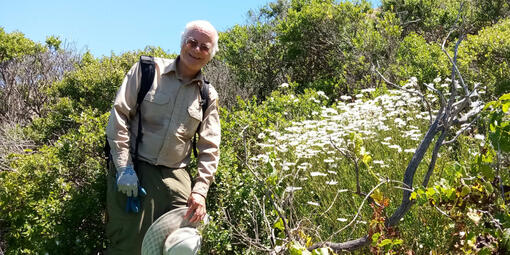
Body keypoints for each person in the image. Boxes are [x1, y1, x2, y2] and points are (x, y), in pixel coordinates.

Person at [105, 20, 221, 255]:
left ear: (211, 54)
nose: (197, 50)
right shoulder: (147, 71)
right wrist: (123, 168)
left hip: (176, 176)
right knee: (128, 246)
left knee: (183, 245)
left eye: (204, 47)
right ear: (182, 43)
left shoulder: (207, 95)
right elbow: (119, 116)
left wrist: (200, 190)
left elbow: (210, 146)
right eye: (192, 42)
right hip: (136, 168)